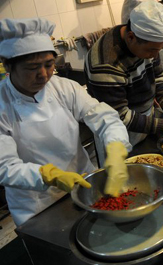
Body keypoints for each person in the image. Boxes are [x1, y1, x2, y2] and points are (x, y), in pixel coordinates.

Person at [0, 18, 131, 226]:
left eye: (49, 64)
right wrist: (47, 175)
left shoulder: (64, 88)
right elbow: (5, 166)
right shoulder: (2, 105)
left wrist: (115, 147)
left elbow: (104, 117)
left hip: (85, 186)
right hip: (36, 205)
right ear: (8, 65)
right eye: (32, 67)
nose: (43, 75)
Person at [85, 0, 163, 151]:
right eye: (151, 50)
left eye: (160, 49)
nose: (154, 55)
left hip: (144, 123)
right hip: (118, 136)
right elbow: (120, 116)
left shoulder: (147, 42)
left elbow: (158, 72)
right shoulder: (106, 64)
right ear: (130, 37)